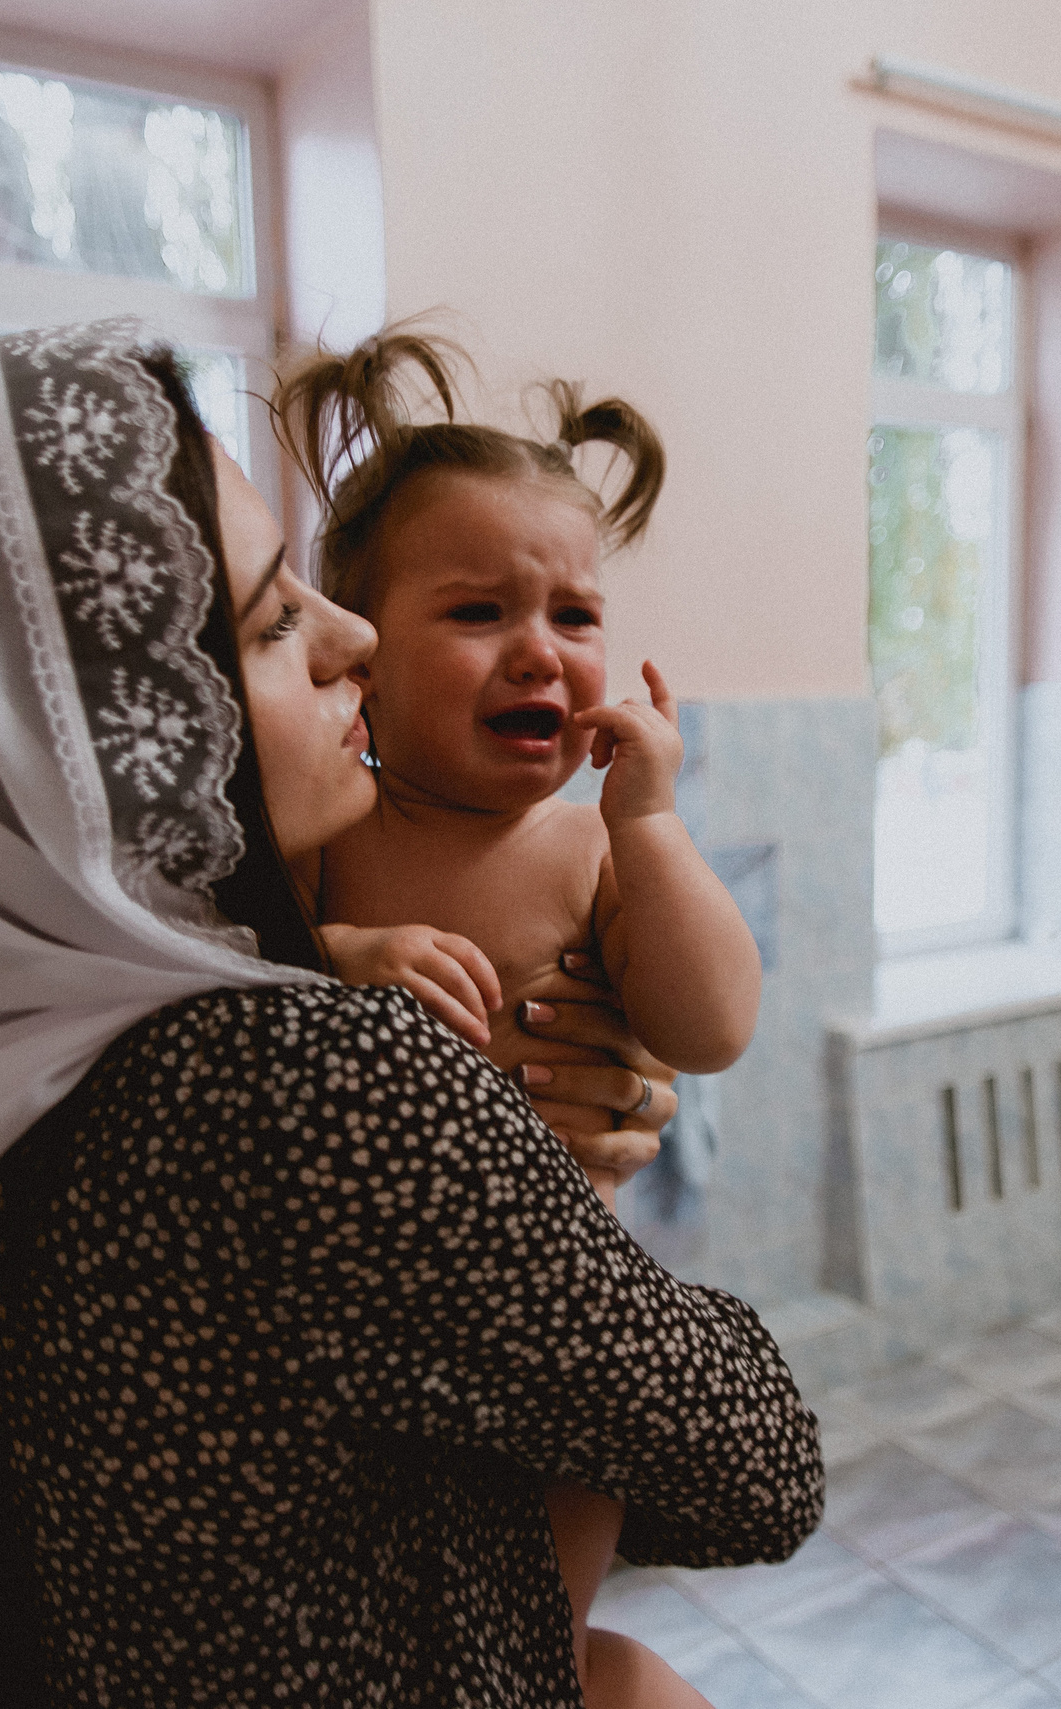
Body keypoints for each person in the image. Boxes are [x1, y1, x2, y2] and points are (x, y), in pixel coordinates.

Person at [0, 317, 825, 1706]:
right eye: (272, 615)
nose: (348, 635)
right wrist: (517, 1176)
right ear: (100, 723)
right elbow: (759, 1461)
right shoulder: (295, 1082)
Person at [271, 332, 764, 1703]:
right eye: (480, 612)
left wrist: (652, 827)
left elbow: (713, 1022)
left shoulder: (586, 848)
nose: (539, 649)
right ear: (361, 657)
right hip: (358, 1363)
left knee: (529, 1649)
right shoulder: (327, 834)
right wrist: (340, 950)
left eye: (576, 614)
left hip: (552, 1343)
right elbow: (234, 991)